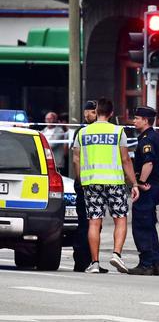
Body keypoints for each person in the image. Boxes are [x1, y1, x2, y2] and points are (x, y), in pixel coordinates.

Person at [72, 98, 139, 274]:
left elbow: (76, 159)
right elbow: (125, 160)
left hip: (91, 182)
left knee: (94, 222)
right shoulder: (118, 132)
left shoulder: (83, 132)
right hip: (114, 182)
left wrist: (81, 179)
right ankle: (116, 254)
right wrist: (134, 183)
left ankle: (94, 262)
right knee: (121, 218)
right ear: (110, 113)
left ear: (97, 112)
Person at [129, 106, 159, 276]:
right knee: (150, 224)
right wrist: (158, 182)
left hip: (146, 187)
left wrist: (140, 182)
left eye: (137, 118)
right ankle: (156, 263)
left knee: (141, 225)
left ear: (145, 121)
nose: (134, 121)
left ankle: (146, 263)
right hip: (155, 186)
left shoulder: (146, 140)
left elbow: (148, 163)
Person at [70, 101, 98, 272]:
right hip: (86, 184)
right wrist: (81, 181)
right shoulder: (81, 132)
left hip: (94, 184)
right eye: (89, 111)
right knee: (85, 225)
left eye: (94, 112)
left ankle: (92, 261)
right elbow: (76, 159)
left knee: (94, 225)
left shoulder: (90, 132)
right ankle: (81, 261)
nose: (90, 115)